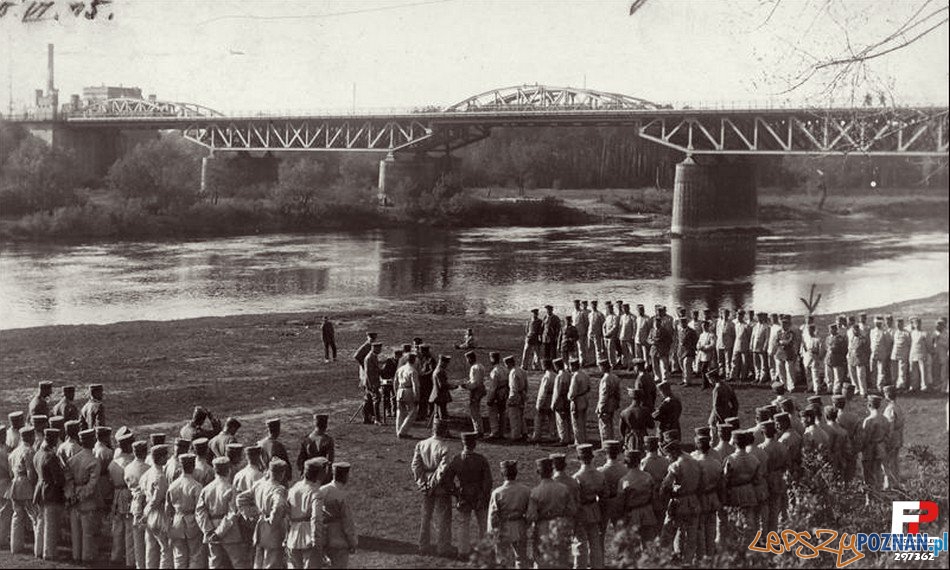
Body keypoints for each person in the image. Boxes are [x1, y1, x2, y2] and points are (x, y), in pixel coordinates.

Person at [196, 455, 251, 569]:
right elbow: (232, 513)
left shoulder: (206, 489)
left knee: (215, 564)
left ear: (215, 471)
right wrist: (219, 532)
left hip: (211, 531)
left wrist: (209, 530)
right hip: (229, 532)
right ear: (228, 470)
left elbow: (200, 512)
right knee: (239, 563)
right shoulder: (231, 489)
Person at [445, 432, 492, 559]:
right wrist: (484, 495)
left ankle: (463, 551)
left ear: (463, 443)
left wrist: (456, 493)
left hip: (464, 494)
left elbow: (448, 479)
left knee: (463, 524)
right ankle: (485, 552)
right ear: (474, 444)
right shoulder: (481, 459)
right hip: (479, 494)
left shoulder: (457, 459)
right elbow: (488, 481)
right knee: (483, 524)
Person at [411, 418, 454, 558]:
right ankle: (443, 547)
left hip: (425, 483)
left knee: (426, 516)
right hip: (440, 485)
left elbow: (416, 466)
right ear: (444, 430)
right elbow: (442, 469)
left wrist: (421, 482)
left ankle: (423, 545)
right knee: (443, 516)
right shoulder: (444, 447)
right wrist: (432, 483)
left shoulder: (421, 444)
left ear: (433, 430)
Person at [526, 456, 573, 568]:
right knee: (561, 557)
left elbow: (531, 516)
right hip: (560, 524)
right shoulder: (563, 488)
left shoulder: (535, 492)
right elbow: (571, 509)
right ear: (552, 471)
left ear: (538, 472)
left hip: (543, 527)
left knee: (543, 559)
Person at [660, 439, 702, 564]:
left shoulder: (676, 465)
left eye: (668, 454)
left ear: (673, 452)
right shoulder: (694, 461)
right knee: (691, 534)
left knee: (667, 533)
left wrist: (665, 495)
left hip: (679, 503)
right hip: (694, 501)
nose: (668, 457)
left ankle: (667, 559)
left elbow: (665, 485)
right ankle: (687, 561)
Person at [286, 457, 329, 569]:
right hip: (309, 536)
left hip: (293, 536)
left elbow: (286, 513)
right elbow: (316, 518)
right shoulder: (316, 492)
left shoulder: (294, 488)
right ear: (319, 474)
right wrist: (317, 539)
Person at [487, 460, 530, 569]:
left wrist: (492, 532)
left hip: (503, 527)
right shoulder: (525, 491)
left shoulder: (497, 492)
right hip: (520, 526)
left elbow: (493, 515)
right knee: (521, 558)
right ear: (516, 473)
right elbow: (530, 512)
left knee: (503, 559)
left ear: (502, 474)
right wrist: (526, 524)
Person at [67, 428, 100, 563]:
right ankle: (87, 557)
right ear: (92, 441)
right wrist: (81, 495)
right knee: (87, 531)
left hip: (74, 496)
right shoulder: (94, 460)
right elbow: (92, 484)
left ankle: (76, 555)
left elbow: (68, 480)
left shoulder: (73, 459)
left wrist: (72, 495)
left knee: (75, 530)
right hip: (87, 499)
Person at [33, 428, 65, 561]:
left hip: (39, 490)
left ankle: (38, 550)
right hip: (50, 492)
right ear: (52, 439)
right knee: (50, 525)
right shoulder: (51, 456)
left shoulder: (38, 454)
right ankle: (49, 553)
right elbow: (59, 479)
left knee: (41, 523)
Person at [167, 453, 204, 568]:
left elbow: (167, 508)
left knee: (179, 556)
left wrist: (169, 524)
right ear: (193, 467)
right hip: (192, 521)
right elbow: (200, 509)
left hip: (177, 521)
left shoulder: (173, 485)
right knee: (195, 555)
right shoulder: (196, 486)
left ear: (180, 467)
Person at [572, 443, 605, 569]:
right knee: (595, 542)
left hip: (582, 510)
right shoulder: (599, 474)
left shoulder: (577, 477)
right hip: (594, 508)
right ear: (592, 457)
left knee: (580, 542)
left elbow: (575, 497)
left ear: (579, 458)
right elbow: (604, 493)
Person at [252, 459, 290, 568]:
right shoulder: (278, 489)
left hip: (260, 526)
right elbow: (279, 506)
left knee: (258, 562)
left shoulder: (259, 485)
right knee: (272, 562)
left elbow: (242, 498)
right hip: (273, 530)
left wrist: (249, 514)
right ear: (282, 474)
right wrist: (273, 521)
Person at [320, 462, 358, 568]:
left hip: (323, 538)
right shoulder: (341, 495)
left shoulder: (322, 490)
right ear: (345, 476)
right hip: (339, 540)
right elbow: (347, 522)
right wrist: (352, 542)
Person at [108, 430, 136, 567]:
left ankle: (115, 556)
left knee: (117, 528)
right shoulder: (129, 462)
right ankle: (130, 559)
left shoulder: (114, 462)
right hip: (126, 494)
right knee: (129, 529)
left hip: (116, 494)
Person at [142, 444, 171, 569]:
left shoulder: (148, 472)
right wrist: (149, 509)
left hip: (149, 512)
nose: (167, 458)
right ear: (160, 458)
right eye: (165, 456)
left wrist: (146, 512)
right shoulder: (161, 476)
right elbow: (157, 498)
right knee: (166, 549)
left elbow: (143, 488)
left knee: (150, 546)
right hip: (158, 512)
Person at [125, 440, 151, 569]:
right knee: (146, 540)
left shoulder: (128, 467)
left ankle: (136, 564)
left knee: (135, 538)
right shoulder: (148, 468)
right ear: (144, 452)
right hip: (144, 503)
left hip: (132, 503)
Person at [598, 440, 626, 547]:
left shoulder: (601, 471)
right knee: (620, 532)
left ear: (606, 452)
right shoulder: (624, 469)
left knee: (600, 533)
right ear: (618, 452)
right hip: (618, 501)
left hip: (604, 502)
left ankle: (599, 561)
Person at [861, 395, 891, 491]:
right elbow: (887, 435)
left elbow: (865, 438)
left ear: (869, 405)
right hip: (881, 447)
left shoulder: (869, 420)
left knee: (869, 473)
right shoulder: (885, 419)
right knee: (878, 471)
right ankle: (879, 490)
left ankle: (871, 494)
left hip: (870, 449)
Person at [296, 413, 335, 479]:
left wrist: (303, 473)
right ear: (326, 426)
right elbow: (330, 460)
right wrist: (328, 475)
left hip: (309, 474)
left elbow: (301, 460)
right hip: (322, 475)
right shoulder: (328, 440)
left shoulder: (307, 439)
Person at [881, 385, 904, 489]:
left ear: (887, 395)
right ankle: (895, 482)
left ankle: (890, 484)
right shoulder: (897, 407)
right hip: (898, 437)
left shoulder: (890, 408)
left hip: (892, 438)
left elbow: (890, 425)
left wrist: (887, 439)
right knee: (894, 461)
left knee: (888, 462)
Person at [459, 351, 486, 435]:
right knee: (475, 409)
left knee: (474, 410)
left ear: (470, 358)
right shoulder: (480, 366)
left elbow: (475, 383)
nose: (467, 361)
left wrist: (466, 386)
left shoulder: (475, 367)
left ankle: (478, 430)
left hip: (476, 391)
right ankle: (479, 429)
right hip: (479, 389)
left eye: (467, 359)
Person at [620, 388, 654, 452]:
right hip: (643, 437)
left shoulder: (624, 412)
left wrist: (624, 438)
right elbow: (651, 425)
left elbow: (622, 429)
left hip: (630, 437)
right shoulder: (645, 411)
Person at [596, 360, 622, 443]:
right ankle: (611, 441)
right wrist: (617, 402)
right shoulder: (615, 377)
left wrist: (600, 407)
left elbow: (604, 395)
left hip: (606, 404)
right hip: (613, 403)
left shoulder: (605, 379)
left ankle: (606, 444)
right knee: (610, 423)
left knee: (604, 425)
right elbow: (618, 392)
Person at [550, 358, 574, 446]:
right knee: (568, 419)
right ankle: (569, 436)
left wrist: (554, 403)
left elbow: (557, 392)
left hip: (561, 400)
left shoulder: (559, 377)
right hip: (567, 399)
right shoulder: (569, 374)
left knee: (561, 420)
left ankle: (563, 438)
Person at [395, 353, 420, 439]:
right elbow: (415, 385)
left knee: (400, 412)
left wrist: (396, 392)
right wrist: (416, 396)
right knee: (413, 412)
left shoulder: (400, 369)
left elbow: (395, 382)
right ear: (414, 360)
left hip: (400, 390)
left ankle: (398, 430)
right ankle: (403, 431)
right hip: (408, 390)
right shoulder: (412, 370)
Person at [532, 359, 556, 443]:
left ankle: (537, 436)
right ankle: (553, 435)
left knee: (539, 418)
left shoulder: (546, 377)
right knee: (552, 418)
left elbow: (543, 392)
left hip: (546, 399)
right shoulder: (555, 375)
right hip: (553, 397)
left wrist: (539, 404)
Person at [485, 352, 508, 440]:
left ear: (493, 359)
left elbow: (493, 387)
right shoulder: (504, 369)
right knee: (502, 412)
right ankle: (502, 432)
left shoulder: (494, 371)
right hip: (504, 392)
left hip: (497, 393)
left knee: (493, 412)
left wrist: (490, 398)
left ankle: (494, 432)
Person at [567, 359, 590, 445]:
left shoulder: (575, 376)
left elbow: (572, 392)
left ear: (573, 366)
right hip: (584, 399)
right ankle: (584, 439)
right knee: (583, 421)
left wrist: (569, 397)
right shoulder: (584, 374)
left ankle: (579, 442)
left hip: (577, 401)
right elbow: (589, 387)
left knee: (576, 422)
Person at [506, 355, 528, 441]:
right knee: (521, 415)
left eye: (507, 364)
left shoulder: (513, 373)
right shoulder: (521, 370)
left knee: (514, 416)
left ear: (510, 363)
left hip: (515, 395)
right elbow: (526, 384)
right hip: (522, 394)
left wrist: (511, 398)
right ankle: (524, 432)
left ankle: (515, 435)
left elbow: (513, 387)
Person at [361, 342, 383, 424]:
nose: (380, 350)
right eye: (379, 349)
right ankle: (377, 419)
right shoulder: (370, 357)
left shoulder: (372, 356)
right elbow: (368, 372)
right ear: (374, 348)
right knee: (376, 399)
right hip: (371, 382)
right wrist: (371, 385)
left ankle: (366, 418)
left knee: (368, 400)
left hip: (370, 382)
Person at [869, 316, 893, 391]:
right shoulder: (872, 331)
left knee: (881, 371)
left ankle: (879, 387)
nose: (878, 324)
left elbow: (888, 344)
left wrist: (885, 353)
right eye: (876, 323)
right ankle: (873, 385)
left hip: (882, 354)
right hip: (873, 353)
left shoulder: (885, 332)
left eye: (879, 323)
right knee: (873, 370)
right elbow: (871, 342)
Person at [430, 354, 456, 421]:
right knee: (442, 415)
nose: (447, 365)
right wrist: (452, 386)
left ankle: (436, 430)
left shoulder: (437, 370)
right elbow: (442, 385)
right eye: (446, 363)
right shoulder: (440, 371)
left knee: (437, 414)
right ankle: (441, 430)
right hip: (441, 396)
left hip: (436, 394)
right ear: (443, 362)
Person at [847, 322, 871, 396]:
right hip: (852, 359)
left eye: (856, 330)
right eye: (854, 330)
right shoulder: (852, 339)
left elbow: (867, 349)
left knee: (861, 376)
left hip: (860, 360)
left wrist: (865, 359)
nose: (855, 332)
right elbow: (850, 349)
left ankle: (863, 391)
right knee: (853, 375)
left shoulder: (863, 339)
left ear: (859, 330)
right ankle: (856, 389)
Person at [416, 345, 438, 423]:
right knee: (422, 399)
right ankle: (422, 414)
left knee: (429, 399)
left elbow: (432, 370)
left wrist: (423, 375)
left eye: (421, 351)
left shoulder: (431, 359)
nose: (420, 353)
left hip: (428, 382)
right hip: (423, 382)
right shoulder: (423, 359)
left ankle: (430, 414)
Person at [824, 324, 848, 394]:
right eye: (830, 329)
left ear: (835, 330)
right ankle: (829, 389)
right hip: (828, 359)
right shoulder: (828, 338)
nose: (830, 330)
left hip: (837, 359)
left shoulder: (840, 338)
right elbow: (826, 348)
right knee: (829, 376)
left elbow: (843, 349)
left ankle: (836, 390)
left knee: (837, 376)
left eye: (832, 329)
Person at [909, 317, 931, 391]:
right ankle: (914, 386)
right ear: (913, 324)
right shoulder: (911, 333)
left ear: (920, 324)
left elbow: (928, 345)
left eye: (918, 323)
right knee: (913, 371)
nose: (917, 325)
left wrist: (928, 353)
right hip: (913, 354)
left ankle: (924, 386)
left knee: (923, 371)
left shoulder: (924, 333)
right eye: (915, 323)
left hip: (922, 354)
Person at [648, 317, 672, 382]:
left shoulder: (664, 330)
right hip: (654, 350)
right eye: (655, 323)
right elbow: (648, 339)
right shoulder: (652, 330)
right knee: (654, 365)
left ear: (660, 323)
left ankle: (665, 378)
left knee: (663, 365)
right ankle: (657, 377)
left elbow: (669, 340)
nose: (656, 324)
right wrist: (652, 342)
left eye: (658, 322)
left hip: (662, 350)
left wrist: (663, 343)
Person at [677, 317, 699, 384]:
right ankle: (684, 379)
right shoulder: (680, 331)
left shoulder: (691, 331)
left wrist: (693, 348)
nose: (682, 324)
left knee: (687, 365)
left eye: (684, 322)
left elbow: (695, 341)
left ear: (686, 323)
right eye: (681, 323)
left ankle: (688, 381)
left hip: (689, 351)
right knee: (682, 366)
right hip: (681, 351)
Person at [891, 318, 911, 390]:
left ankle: (901, 386)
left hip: (903, 354)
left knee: (902, 371)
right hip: (895, 354)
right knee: (894, 372)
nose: (898, 325)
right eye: (897, 324)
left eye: (900, 323)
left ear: (902, 324)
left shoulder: (906, 333)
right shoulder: (895, 332)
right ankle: (895, 385)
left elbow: (909, 344)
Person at [573, 300, 591, 366]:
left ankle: (583, 361)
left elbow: (586, 323)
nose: (576, 306)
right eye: (575, 304)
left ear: (579, 305)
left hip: (582, 332)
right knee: (577, 347)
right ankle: (579, 360)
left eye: (577, 304)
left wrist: (586, 331)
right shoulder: (573, 312)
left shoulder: (582, 312)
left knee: (582, 347)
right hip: (575, 332)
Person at [589, 301, 606, 365]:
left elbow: (603, 324)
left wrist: (602, 333)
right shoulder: (590, 314)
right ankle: (592, 361)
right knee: (591, 348)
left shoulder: (600, 314)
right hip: (591, 333)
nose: (593, 306)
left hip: (597, 333)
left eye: (595, 305)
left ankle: (599, 361)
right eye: (592, 305)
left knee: (598, 348)